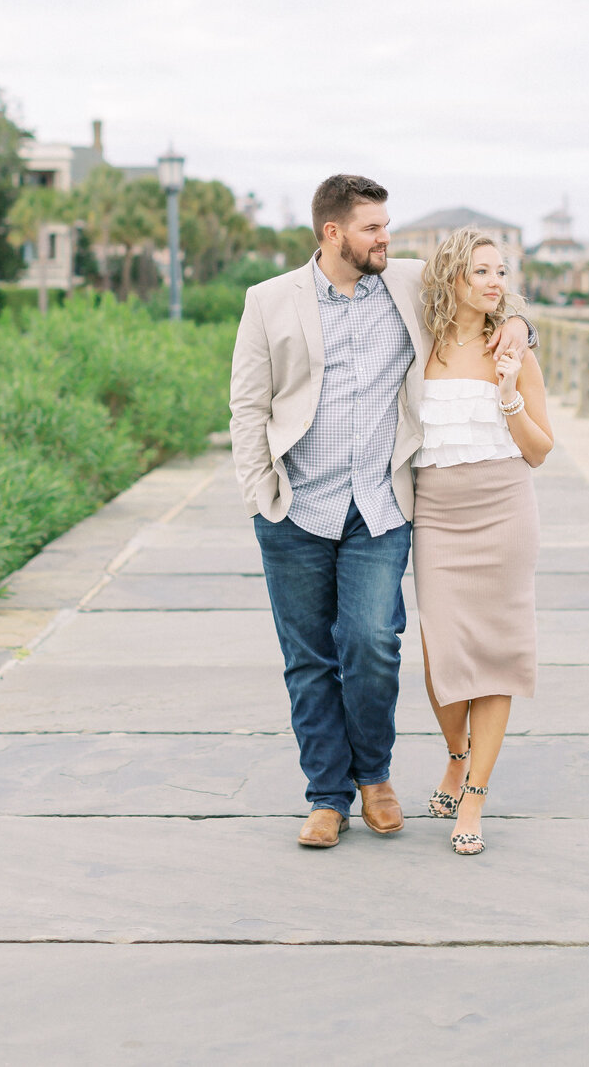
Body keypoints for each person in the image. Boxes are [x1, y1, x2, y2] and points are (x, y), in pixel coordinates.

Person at [229, 175, 534, 848]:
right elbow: (248, 405)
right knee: (308, 658)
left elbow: (486, 290)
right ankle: (327, 797)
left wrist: (518, 322)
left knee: (371, 645)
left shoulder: (405, 283)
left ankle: (375, 776)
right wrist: (260, 494)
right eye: (373, 229)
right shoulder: (269, 300)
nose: (386, 239)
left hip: (379, 506)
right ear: (333, 232)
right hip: (295, 509)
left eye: (386, 228)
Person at [412, 227, 554, 856]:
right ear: (452, 278)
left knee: (495, 655)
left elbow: (540, 451)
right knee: (440, 651)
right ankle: (455, 752)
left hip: (503, 511)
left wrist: (507, 397)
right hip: (437, 518)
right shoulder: (419, 342)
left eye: (502, 272)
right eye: (482, 272)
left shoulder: (516, 352)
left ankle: (475, 793)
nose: (497, 283)